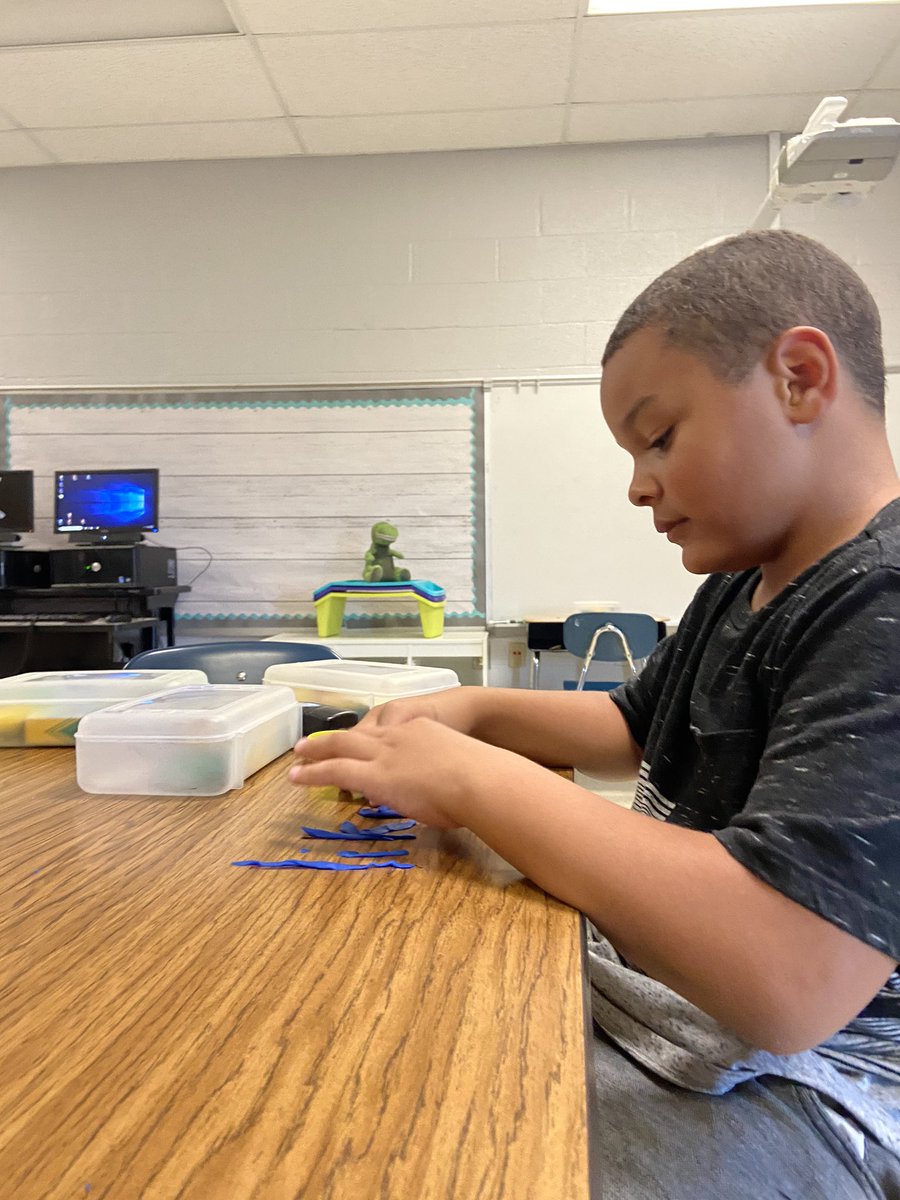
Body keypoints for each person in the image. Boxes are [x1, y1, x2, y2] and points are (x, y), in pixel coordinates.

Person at [289, 230, 900, 1197]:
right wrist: (468, 712)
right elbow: (629, 727)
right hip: (666, 1005)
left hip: (822, 1086)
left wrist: (472, 779)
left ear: (799, 378)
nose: (637, 485)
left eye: (658, 437)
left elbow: (793, 979)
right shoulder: (745, 581)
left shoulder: (883, 600)